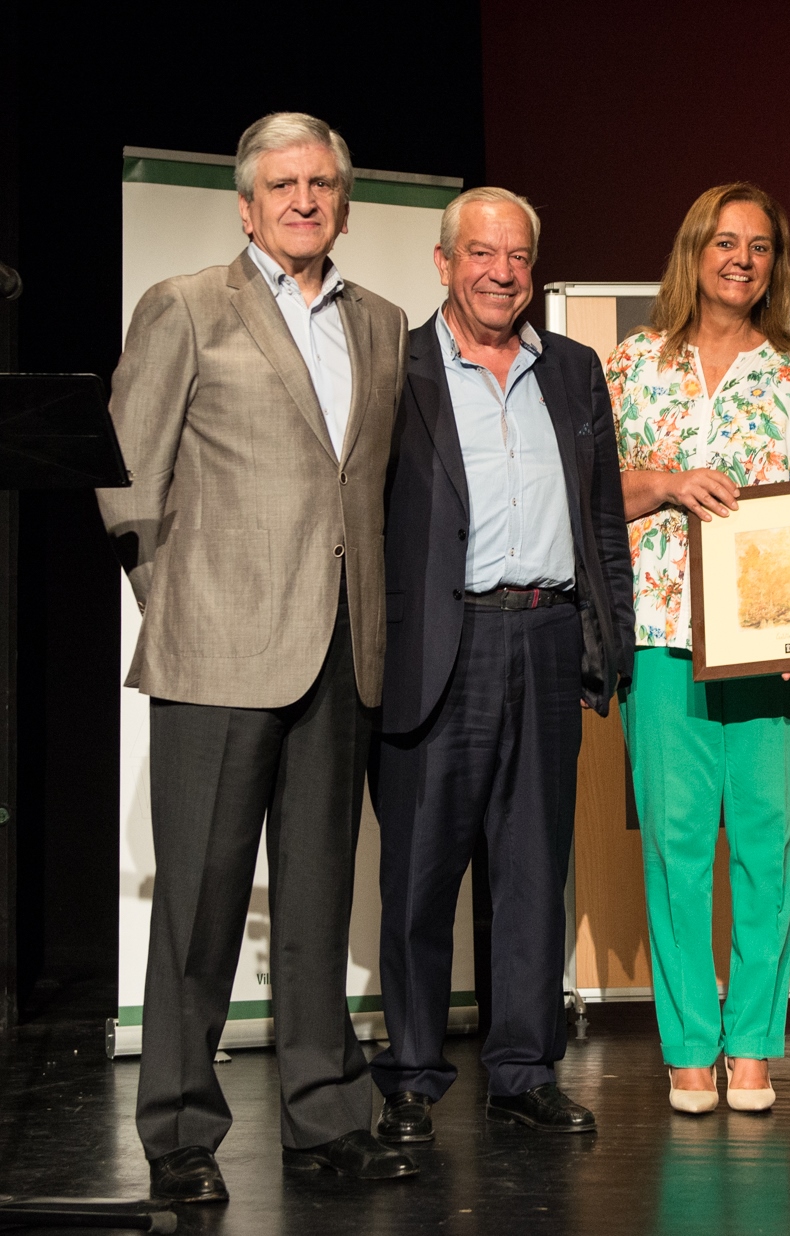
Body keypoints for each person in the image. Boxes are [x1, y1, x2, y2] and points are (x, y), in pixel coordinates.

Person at [97, 112, 416, 1202]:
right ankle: (181, 1135)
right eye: (283, 185)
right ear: (246, 206)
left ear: (344, 203)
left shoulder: (381, 322)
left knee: (320, 903)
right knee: (199, 906)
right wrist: (178, 606)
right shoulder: (186, 305)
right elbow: (126, 482)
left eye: (321, 183)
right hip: (216, 652)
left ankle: (326, 1120)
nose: (304, 200)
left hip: (340, 647)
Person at [369, 187, 632, 1140]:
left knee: (532, 870)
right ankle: (410, 1075)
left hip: (548, 635)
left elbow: (603, 514)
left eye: (518, 255)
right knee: (420, 873)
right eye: (481, 253)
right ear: (444, 263)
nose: (501, 272)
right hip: (440, 643)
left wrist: (611, 636)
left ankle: (523, 1072)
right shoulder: (395, 368)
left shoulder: (573, 369)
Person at [605, 183, 790, 1114]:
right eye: (725, 241)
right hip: (660, 632)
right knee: (674, 848)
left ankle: (750, 1047)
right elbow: (593, 490)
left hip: (773, 643)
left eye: (760, 246)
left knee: (766, 846)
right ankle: (688, 1048)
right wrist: (668, 482)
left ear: (775, 263)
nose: (742, 259)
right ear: (694, 250)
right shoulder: (633, 363)